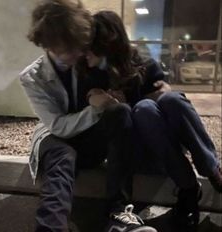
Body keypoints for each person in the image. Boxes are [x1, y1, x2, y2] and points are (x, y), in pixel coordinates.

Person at [20, 1, 157, 232]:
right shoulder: (33, 78)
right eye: (70, 49)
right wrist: (94, 108)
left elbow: (127, 60)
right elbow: (58, 126)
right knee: (63, 154)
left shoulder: (85, 59)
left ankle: (119, 214)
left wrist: (155, 89)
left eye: (80, 46)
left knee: (119, 112)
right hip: (55, 136)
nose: (80, 53)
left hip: (88, 138)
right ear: (49, 45)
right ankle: (51, 227)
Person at [82, 10, 222, 232]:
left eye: (90, 43)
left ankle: (211, 169)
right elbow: (100, 108)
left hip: (163, 146)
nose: (84, 50)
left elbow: (165, 98)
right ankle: (195, 182)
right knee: (145, 106)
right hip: (137, 154)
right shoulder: (91, 76)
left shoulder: (144, 65)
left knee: (171, 100)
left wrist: (145, 97)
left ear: (106, 42)